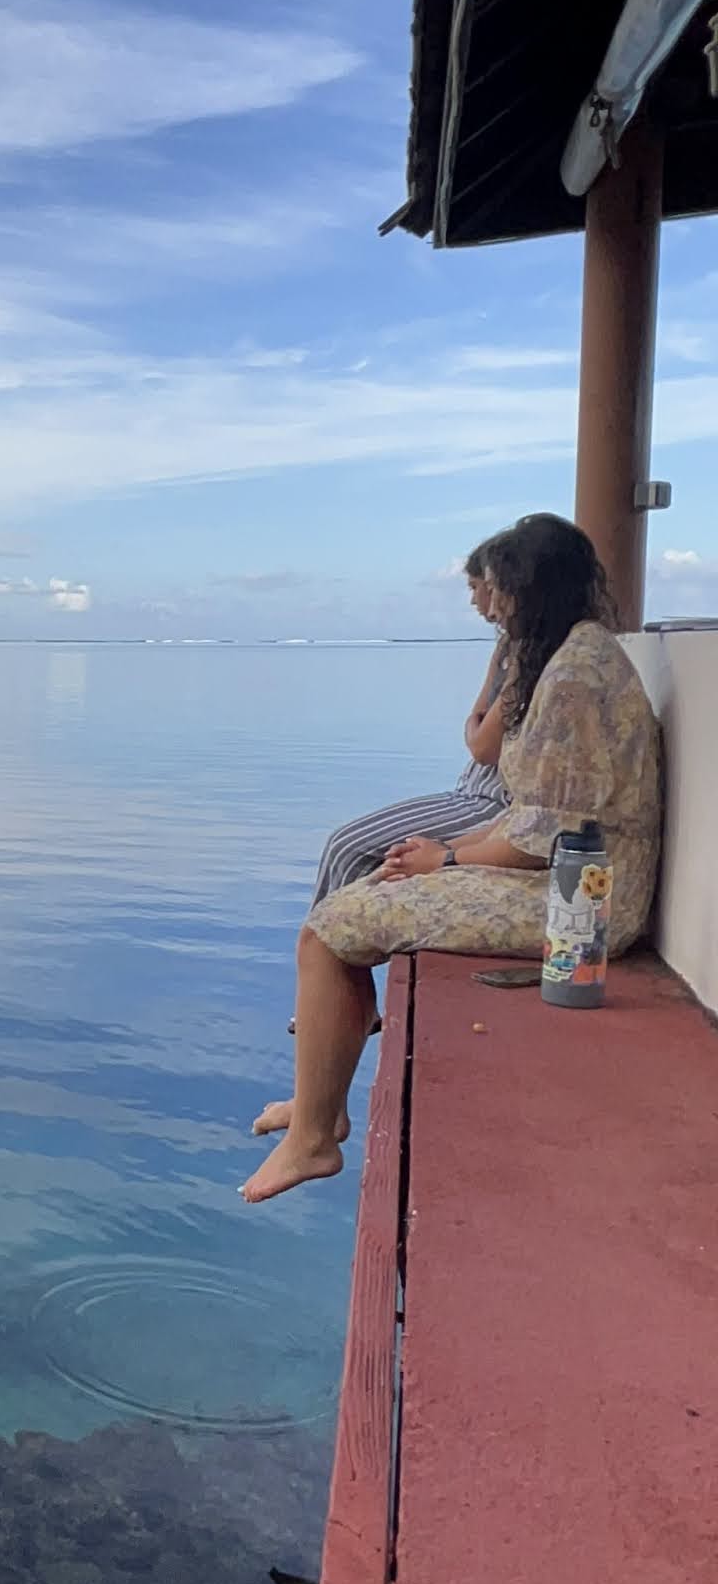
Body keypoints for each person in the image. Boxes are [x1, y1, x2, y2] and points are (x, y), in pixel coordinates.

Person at [246, 512, 666, 1201]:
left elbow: (544, 840)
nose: (491, 605)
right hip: (574, 884)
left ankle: (315, 1138)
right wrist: (444, 852)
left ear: (533, 588)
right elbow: (534, 817)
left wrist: (446, 863)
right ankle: (316, 1104)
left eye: (500, 591)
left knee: (327, 932)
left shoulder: (572, 680)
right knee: (360, 896)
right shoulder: (573, 655)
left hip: (584, 909)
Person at [311, 559, 522, 898]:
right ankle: (329, 940)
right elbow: (478, 723)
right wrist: (477, 728)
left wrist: (477, 728)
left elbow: (482, 746)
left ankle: (328, 941)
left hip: (493, 800)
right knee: (346, 846)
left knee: (350, 850)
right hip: (471, 787)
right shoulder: (507, 649)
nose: (475, 600)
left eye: (476, 587)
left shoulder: (532, 659)